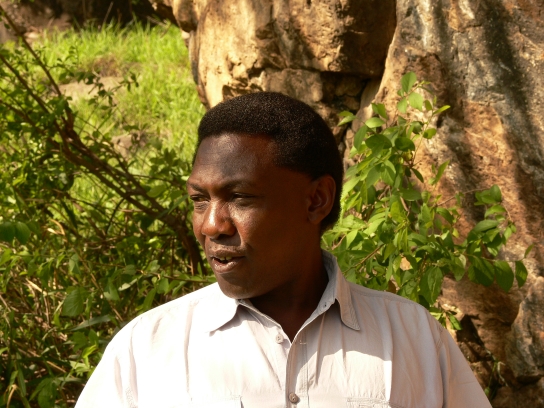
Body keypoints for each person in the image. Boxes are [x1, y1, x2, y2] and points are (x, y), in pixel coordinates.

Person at [75, 92, 491, 408]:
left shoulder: (414, 339)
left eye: (239, 197)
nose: (211, 225)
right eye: (199, 200)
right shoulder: (147, 349)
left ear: (316, 200)